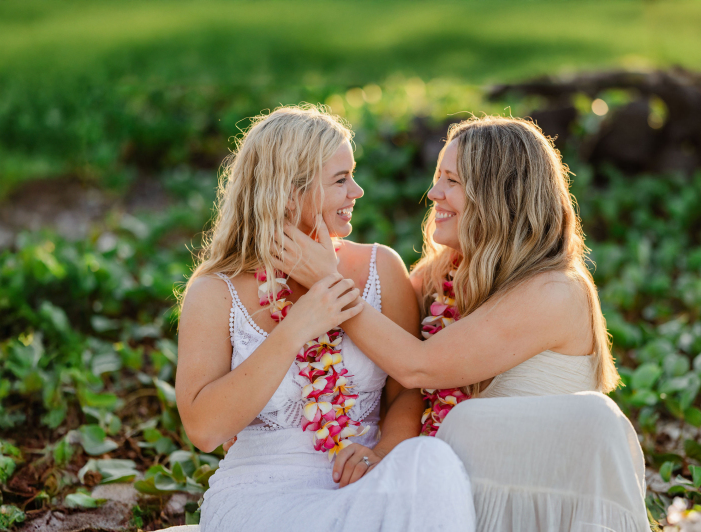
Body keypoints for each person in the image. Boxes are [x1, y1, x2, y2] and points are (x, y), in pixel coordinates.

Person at [274, 115, 650, 531]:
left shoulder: (554, 291)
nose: (433, 193)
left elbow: (418, 365)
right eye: (438, 177)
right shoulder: (439, 277)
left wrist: (330, 284)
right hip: (465, 483)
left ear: (498, 194)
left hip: (539, 490)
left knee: (480, 420)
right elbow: (390, 375)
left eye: (451, 181)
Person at [174, 105, 476, 532]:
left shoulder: (380, 268)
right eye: (340, 180)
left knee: (432, 462)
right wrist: (298, 326)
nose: (358, 191)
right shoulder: (215, 291)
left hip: (368, 483)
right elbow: (204, 430)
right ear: (287, 191)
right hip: (262, 498)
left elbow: (408, 389)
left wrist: (385, 451)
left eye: (352, 174)